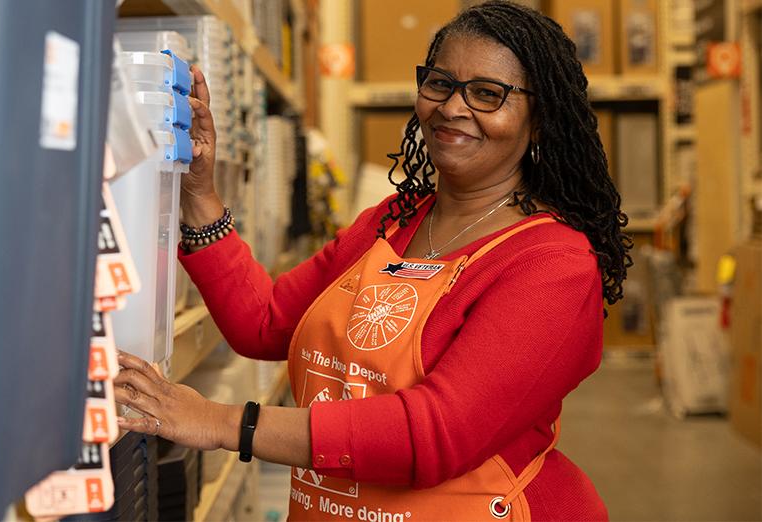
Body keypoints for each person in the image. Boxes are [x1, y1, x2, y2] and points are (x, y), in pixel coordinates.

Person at [114, 1, 630, 520]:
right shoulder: (393, 221)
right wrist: (200, 196)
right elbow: (265, 323)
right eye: (440, 83)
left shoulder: (553, 265)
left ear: (539, 121)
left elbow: (431, 434)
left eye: (488, 94)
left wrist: (223, 423)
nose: (453, 107)